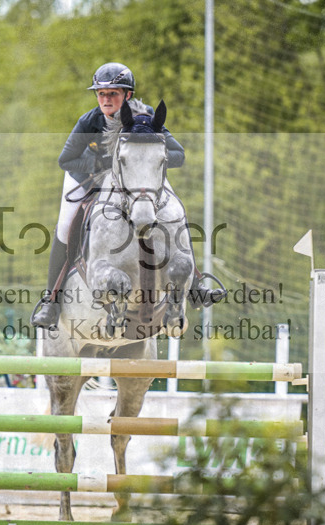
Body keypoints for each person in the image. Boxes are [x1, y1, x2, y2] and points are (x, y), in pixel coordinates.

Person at [31, 62, 223, 329]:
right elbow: (66, 160)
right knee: (64, 226)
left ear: (128, 95)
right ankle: (51, 302)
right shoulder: (89, 121)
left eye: (113, 94)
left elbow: (178, 155)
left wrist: (149, 159)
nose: (106, 100)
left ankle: (195, 286)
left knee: (175, 210)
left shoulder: (146, 118)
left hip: (138, 179)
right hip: (87, 177)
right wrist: (102, 166)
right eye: (101, 94)